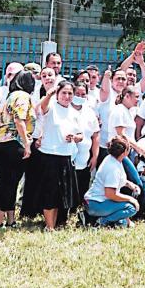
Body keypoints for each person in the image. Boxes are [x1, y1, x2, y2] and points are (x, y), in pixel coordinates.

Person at [0, 72, 36, 229]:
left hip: (1, 143)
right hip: (14, 144)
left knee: (8, 183)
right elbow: (19, 120)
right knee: (8, 184)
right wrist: (27, 143)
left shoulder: (11, 96)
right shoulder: (23, 96)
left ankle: (10, 219)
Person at [35, 81, 83, 231]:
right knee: (50, 193)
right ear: (57, 93)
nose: (67, 96)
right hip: (49, 155)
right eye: (64, 92)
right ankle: (49, 226)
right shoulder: (51, 107)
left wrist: (75, 137)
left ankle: (54, 223)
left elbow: (81, 135)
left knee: (60, 194)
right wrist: (49, 93)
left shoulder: (75, 113)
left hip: (66, 156)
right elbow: (41, 108)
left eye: (70, 93)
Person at [83, 137, 139, 228]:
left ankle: (118, 221)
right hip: (96, 204)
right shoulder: (113, 168)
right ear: (125, 152)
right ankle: (100, 222)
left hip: (95, 201)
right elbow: (110, 194)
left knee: (123, 220)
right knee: (132, 207)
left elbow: (117, 180)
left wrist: (129, 184)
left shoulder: (112, 159)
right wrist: (130, 199)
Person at [70, 82, 101, 205]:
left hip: (84, 157)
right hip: (67, 157)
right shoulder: (65, 109)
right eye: (77, 93)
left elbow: (95, 135)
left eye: (83, 94)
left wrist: (95, 156)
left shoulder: (89, 112)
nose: (80, 96)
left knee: (82, 185)